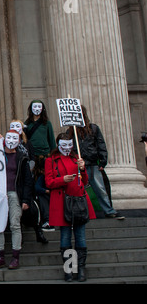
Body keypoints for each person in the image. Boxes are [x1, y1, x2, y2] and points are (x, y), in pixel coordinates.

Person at [45, 133, 96, 282]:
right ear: (58, 145)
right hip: (62, 202)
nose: (67, 148)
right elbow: (48, 182)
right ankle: (69, 270)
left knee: (80, 237)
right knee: (65, 237)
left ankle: (80, 270)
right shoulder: (50, 160)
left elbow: (85, 181)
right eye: (63, 145)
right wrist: (62, 180)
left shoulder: (77, 159)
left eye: (69, 145)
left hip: (78, 201)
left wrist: (83, 168)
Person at [68, 106, 124, 220]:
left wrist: (103, 161)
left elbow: (100, 144)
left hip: (92, 163)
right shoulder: (70, 131)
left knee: (100, 189)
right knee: (78, 189)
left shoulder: (93, 128)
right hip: (78, 164)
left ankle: (109, 210)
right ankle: (81, 211)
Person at [0, 130, 33, 270]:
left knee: (15, 225)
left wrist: (26, 199)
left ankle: (15, 257)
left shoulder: (22, 158)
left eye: (15, 138)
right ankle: (0, 256)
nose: (11, 140)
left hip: (14, 194)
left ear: (19, 141)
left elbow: (27, 181)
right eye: (9, 137)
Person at [33, 155, 54, 231]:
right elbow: (37, 188)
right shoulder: (42, 177)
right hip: (46, 196)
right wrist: (46, 191)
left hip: (54, 196)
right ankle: (47, 221)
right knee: (42, 197)